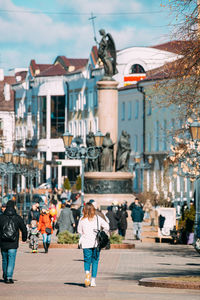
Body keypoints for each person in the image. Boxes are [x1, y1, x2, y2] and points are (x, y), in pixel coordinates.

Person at [78, 202, 109, 287]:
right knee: (95, 261)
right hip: (96, 243)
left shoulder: (82, 219)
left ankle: (87, 273)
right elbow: (107, 226)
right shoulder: (98, 218)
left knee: (87, 260)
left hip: (86, 243)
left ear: (84, 210)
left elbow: (79, 231)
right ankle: (93, 280)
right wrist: (102, 232)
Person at [0, 200, 27, 284]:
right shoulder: (17, 217)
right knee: (11, 259)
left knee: (4, 260)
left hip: (3, 242)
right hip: (13, 242)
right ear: (14, 207)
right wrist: (24, 238)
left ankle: (5, 275)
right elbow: (24, 229)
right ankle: (9, 277)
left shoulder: (1, 217)